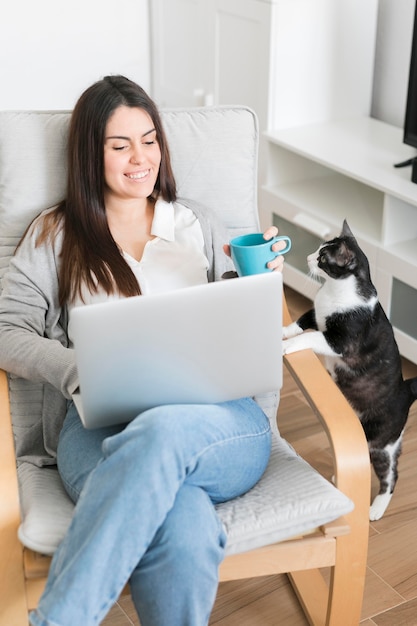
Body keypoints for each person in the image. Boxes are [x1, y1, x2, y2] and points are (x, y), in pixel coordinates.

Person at [0, 75, 285, 626]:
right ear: (90, 154)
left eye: (150, 140)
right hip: (99, 430)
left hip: (219, 422)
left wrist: (255, 282)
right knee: (183, 526)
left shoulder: (196, 223)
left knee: (164, 432)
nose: (142, 158)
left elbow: (239, 326)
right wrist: (76, 368)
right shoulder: (53, 234)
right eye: (120, 144)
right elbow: (7, 331)